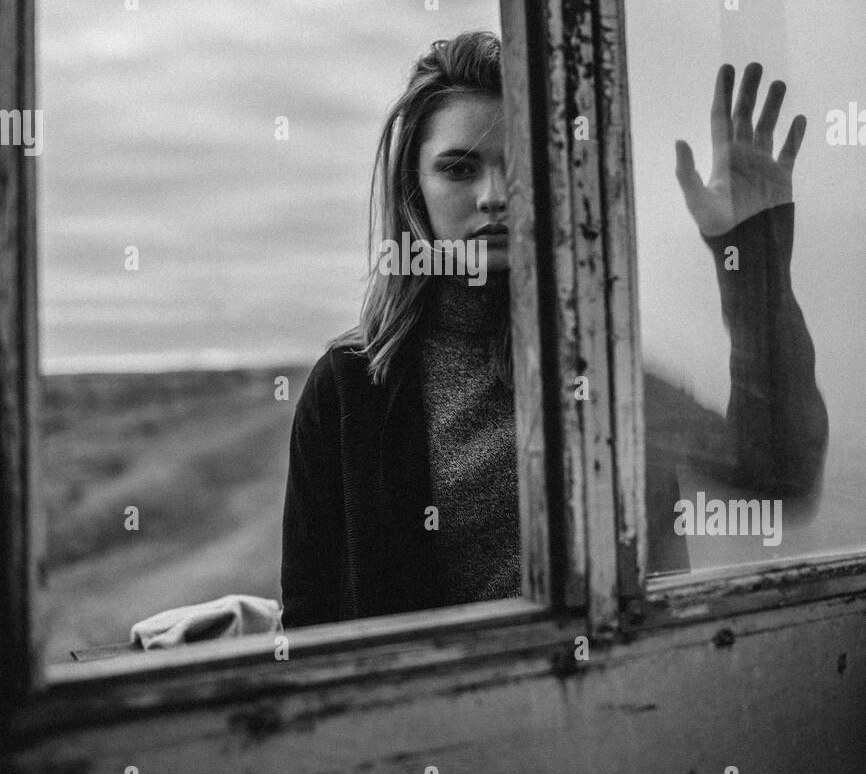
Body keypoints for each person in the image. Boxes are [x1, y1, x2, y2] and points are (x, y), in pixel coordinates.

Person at [281, 32, 827, 627]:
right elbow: (309, 619)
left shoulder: (597, 368)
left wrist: (754, 258)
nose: (494, 197)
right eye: (459, 168)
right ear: (415, 189)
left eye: (518, 168)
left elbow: (779, 471)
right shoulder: (350, 386)